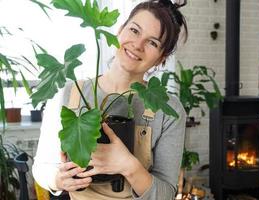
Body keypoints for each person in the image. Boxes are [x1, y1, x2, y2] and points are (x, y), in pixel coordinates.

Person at [32, 0, 188, 199]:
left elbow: (166, 193)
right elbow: (41, 167)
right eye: (134, 30)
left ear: (161, 59)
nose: (137, 45)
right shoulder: (69, 93)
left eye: (152, 42)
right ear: (120, 30)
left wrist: (128, 165)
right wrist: (58, 179)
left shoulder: (167, 109)